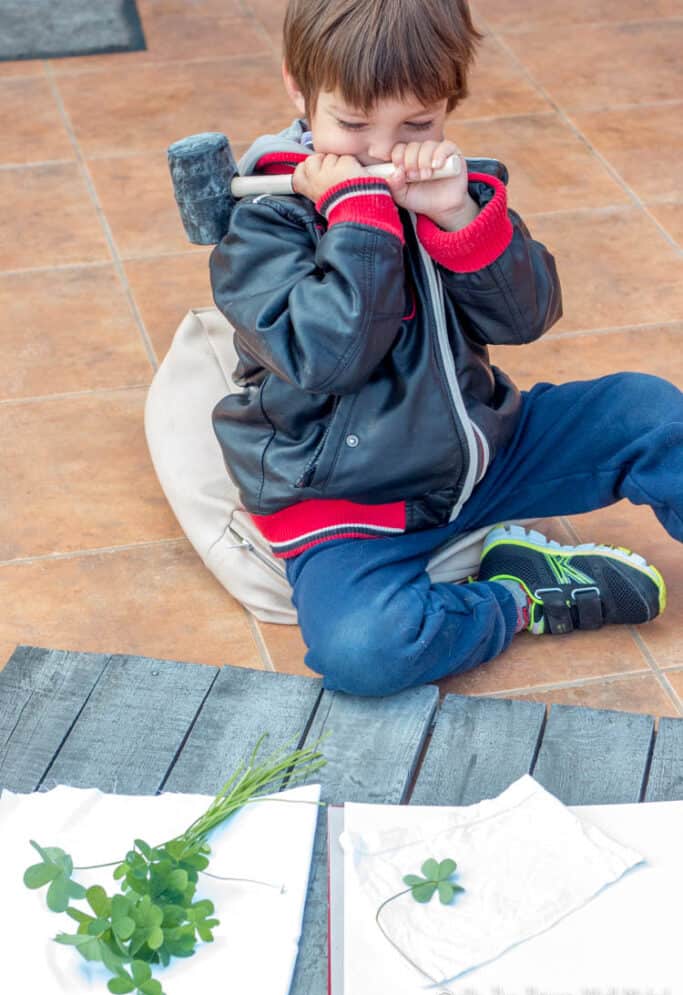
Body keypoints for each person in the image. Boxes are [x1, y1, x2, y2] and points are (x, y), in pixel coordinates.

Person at [209, 0, 682, 697]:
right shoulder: (263, 226)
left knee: (648, 411)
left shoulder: (443, 188)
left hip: (479, 452)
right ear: (298, 89)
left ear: (448, 104)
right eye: (352, 124)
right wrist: (361, 216)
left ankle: (495, 537)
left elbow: (525, 318)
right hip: (348, 500)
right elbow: (328, 358)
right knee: (362, 651)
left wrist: (460, 218)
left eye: (417, 124)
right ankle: (519, 595)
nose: (379, 150)